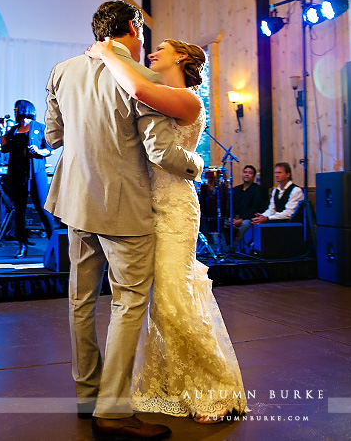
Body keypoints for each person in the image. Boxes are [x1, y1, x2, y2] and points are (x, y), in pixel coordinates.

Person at [45, 0, 204, 440]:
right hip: (124, 208)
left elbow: (53, 136)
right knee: (128, 302)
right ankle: (113, 411)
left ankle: (86, 398)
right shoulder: (146, 81)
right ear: (133, 27)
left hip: (75, 201)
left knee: (80, 300)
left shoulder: (62, 70)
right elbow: (160, 154)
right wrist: (197, 166)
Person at [85, 35, 247, 423]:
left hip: (175, 208)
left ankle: (216, 391)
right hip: (143, 207)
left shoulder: (189, 98)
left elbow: (137, 86)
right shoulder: (160, 93)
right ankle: (172, 383)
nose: (153, 52)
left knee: (175, 295)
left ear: (184, 58)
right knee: (158, 300)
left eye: (164, 48)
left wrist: (107, 53)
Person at [0, 99, 56, 257]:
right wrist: (3, 130)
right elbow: (4, 149)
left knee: (42, 208)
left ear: (25, 109)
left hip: (36, 172)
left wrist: (38, 151)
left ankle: (54, 243)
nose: (15, 111)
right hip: (18, 174)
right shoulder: (14, 129)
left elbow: (49, 150)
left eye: (16, 108)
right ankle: (22, 244)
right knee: (19, 210)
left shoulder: (40, 128)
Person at [230, 165, 268, 243]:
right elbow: (230, 205)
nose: (247, 174)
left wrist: (241, 220)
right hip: (235, 217)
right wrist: (229, 217)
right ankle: (225, 248)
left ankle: (240, 248)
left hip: (249, 218)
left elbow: (256, 208)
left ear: (253, 177)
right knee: (220, 221)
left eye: (250, 173)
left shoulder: (258, 190)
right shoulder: (236, 189)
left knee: (245, 224)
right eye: (245, 172)